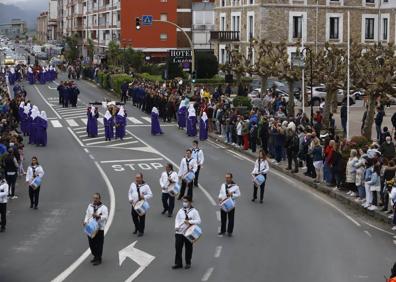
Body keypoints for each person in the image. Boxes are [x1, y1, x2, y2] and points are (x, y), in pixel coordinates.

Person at [172, 196, 201, 270]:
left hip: (189, 233)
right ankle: (178, 263)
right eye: (183, 201)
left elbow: (198, 221)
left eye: (186, 201)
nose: (184, 203)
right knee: (178, 248)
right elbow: (177, 219)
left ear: (190, 202)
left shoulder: (194, 211)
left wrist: (189, 221)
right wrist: (176, 226)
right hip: (179, 232)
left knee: (188, 248)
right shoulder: (180, 210)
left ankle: (188, 263)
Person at [83, 193, 108, 266]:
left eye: (96, 198)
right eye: (94, 198)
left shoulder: (104, 207)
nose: (95, 199)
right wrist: (85, 221)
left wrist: (99, 217)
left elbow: (105, 217)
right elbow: (87, 215)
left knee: (99, 244)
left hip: (99, 228)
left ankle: (98, 258)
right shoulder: (90, 206)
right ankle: (95, 255)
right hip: (91, 227)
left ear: (100, 199)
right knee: (91, 244)